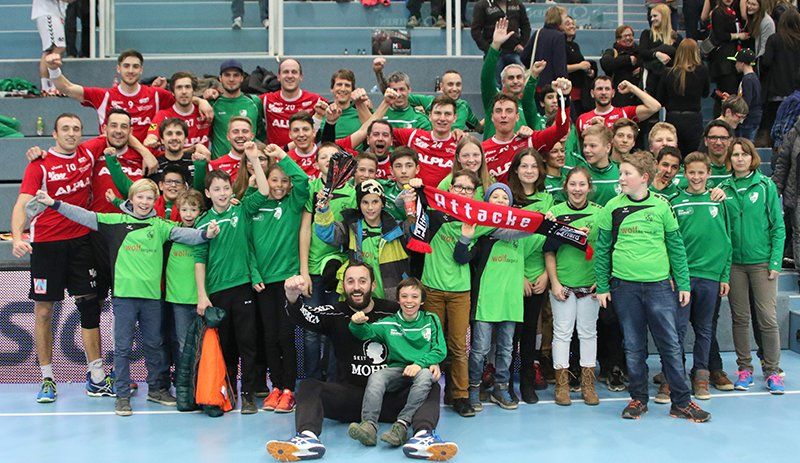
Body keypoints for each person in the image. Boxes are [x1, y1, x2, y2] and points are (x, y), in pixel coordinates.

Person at [32, 178, 218, 416]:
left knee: (155, 345)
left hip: (152, 299)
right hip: (124, 299)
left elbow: (185, 234)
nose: (144, 202)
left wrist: (206, 234)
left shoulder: (160, 226)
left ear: (155, 201)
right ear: (131, 199)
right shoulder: (115, 222)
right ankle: (122, 396)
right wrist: (54, 203)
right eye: (140, 197)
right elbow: (82, 215)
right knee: (122, 349)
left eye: (149, 198)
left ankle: (157, 390)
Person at [267, 264, 457, 462]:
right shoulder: (335, 313)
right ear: (343, 286)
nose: (356, 287)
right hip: (349, 399)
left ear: (373, 285)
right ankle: (307, 439)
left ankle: (423, 437)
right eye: (350, 281)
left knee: (430, 385)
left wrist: (430, 362)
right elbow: (304, 317)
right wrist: (292, 296)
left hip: (391, 399)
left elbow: (423, 330)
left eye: (362, 281)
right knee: (308, 386)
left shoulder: (394, 311)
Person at [595, 151, 711, 422]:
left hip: (659, 287)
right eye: (621, 173)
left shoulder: (662, 206)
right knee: (633, 346)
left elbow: (676, 247)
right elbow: (602, 249)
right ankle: (638, 398)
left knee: (670, 345)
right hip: (624, 288)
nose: (621, 178)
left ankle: (681, 402)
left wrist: (682, 282)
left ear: (644, 177)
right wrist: (602, 286)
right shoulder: (612, 207)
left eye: (627, 174)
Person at [11, 113, 112, 403]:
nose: (71, 133)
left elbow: (118, 133)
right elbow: (22, 203)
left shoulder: (87, 153)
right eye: (65, 129)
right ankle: (47, 378)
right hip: (47, 245)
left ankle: (96, 377)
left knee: (89, 306)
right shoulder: (39, 164)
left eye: (76, 129)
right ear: (54, 134)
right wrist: (17, 237)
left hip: (81, 242)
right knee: (44, 311)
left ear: (82, 133)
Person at [195, 141, 271, 415]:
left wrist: (253, 158)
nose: (223, 193)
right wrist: (202, 295)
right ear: (208, 193)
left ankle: (248, 395)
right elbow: (199, 261)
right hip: (217, 291)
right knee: (225, 346)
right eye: (216, 189)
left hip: (242, 288)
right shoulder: (202, 223)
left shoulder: (241, 210)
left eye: (226, 188)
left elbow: (264, 191)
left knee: (248, 343)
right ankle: (228, 392)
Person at [719, 139, 786, 394]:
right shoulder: (722, 189)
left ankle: (772, 371)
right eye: (735, 154)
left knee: (767, 318)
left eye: (744, 154)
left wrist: (775, 261)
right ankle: (744, 369)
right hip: (735, 265)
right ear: (729, 159)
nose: (739, 158)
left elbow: (778, 227)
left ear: (752, 157)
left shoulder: (766, 186)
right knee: (740, 318)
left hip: (762, 263)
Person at [347, 278, 446, 447]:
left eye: (414, 296)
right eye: (404, 296)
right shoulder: (389, 322)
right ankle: (369, 426)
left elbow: (440, 350)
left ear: (422, 300)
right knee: (377, 376)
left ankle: (401, 425)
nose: (409, 301)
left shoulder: (431, 320)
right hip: (397, 371)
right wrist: (356, 323)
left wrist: (419, 364)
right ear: (398, 300)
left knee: (425, 375)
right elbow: (366, 332)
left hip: (420, 369)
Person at [249, 145, 310, 413]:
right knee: (270, 336)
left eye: (284, 181)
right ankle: (275, 387)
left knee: (286, 336)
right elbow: (247, 243)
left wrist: (284, 158)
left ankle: (289, 389)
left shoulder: (294, 203)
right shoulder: (255, 204)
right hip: (263, 282)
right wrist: (254, 272)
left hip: (287, 283)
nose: (280, 185)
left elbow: (303, 180)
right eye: (274, 180)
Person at [457, 183, 526, 411]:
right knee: (479, 350)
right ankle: (473, 389)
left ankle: (500, 388)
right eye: (495, 196)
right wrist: (465, 238)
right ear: (486, 202)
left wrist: (547, 222)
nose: (500, 200)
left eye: (504, 197)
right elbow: (461, 258)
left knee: (506, 349)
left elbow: (543, 244)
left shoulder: (522, 233)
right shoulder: (483, 233)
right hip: (485, 301)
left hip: (511, 301)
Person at [669, 152, 732, 401]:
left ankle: (701, 375)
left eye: (701, 172)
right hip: (683, 277)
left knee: (705, 329)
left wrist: (724, 275)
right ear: (685, 173)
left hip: (710, 277)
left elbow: (727, 240)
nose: (696, 177)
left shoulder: (718, 201)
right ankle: (674, 376)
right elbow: (669, 242)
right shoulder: (675, 202)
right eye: (692, 172)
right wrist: (672, 274)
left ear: (709, 174)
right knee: (678, 329)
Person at [44, 50, 213, 141]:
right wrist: (53, 68)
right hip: (114, 159)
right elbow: (66, 87)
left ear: (141, 70)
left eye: (135, 66)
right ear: (118, 68)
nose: (131, 71)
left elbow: (182, 98)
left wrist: (200, 101)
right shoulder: (104, 96)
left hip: (147, 161)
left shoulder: (156, 95)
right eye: (126, 66)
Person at [544, 167, 602, 406]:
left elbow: (606, 248)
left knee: (588, 333)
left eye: (582, 184)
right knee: (562, 333)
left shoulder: (600, 213)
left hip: (590, 286)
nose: (577, 189)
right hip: (563, 285)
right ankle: (562, 385)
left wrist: (601, 279)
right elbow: (549, 252)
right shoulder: (555, 214)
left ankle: (588, 385)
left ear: (589, 187)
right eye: (573, 184)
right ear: (565, 187)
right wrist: (555, 282)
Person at [299, 143, 355, 381]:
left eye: (334, 157)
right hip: (313, 269)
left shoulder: (353, 193)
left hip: (338, 271)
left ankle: (332, 380)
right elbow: (305, 230)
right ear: (316, 163)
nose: (329, 161)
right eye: (324, 157)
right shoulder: (312, 189)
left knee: (335, 328)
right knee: (311, 329)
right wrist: (304, 271)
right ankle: (311, 380)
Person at [505, 149, 555, 404]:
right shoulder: (507, 198)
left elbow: (552, 240)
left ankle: (526, 382)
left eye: (534, 166)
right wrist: (518, 276)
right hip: (512, 274)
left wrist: (546, 274)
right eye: (524, 166)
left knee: (528, 334)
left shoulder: (548, 200)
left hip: (538, 276)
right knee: (509, 335)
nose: (529, 171)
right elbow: (501, 240)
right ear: (516, 169)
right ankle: (505, 384)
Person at [315, 179, 409, 300]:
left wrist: (414, 199)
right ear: (359, 204)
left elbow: (419, 231)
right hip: (359, 299)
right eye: (365, 202)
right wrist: (323, 208)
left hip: (391, 299)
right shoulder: (351, 227)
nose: (370, 207)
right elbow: (326, 233)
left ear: (383, 203)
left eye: (375, 202)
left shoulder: (398, 228)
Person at [373, 60, 481, 132]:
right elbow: (394, 95)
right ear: (441, 87)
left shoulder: (464, 106)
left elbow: (479, 128)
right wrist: (379, 73)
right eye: (450, 84)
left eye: (458, 84)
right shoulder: (429, 101)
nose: (455, 88)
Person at [481, 18, 540, 140]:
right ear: (503, 82)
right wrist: (495, 45)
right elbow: (486, 77)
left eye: (519, 77)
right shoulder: (494, 100)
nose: (515, 81)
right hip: (492, 151)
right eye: (511, 78)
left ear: (524, 81)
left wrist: (533, 77)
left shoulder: (528, 107)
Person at [657, 39, 711, 157]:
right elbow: (705, 93)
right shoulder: (702, 70)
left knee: (672, 155)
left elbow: (660, 99)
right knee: (692, 157)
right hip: (693, 119)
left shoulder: (668, 72)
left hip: (673, 118)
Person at [205, 59, 265, 158]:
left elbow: (261, 134)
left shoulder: (254, 102)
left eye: (236, 75)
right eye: (227, 75)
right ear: (220, 78)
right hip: (220, 164)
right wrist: (200, 100)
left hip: (248, 163)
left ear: (242, 78)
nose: (231, 79)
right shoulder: (212, 103)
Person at [260, 58, 324, 148]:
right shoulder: (266, 100)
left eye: (294, 72)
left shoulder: (316, 100)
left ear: (301, 77)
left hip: (306, 155)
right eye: (286, 72)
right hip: (275, 156)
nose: (290, 76)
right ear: (278, 77)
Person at [759, 7, 800, 146]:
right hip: (797, 93)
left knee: (773, 128)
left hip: (776, 92)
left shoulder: (774, 39)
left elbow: (766, 62)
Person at [144, 72, 211, 150]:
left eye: (187, 87)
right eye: (179, 87)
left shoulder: (205, 111)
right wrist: (150, 139)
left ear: (193, 91)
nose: (184, 92)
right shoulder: (162, 115)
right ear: (172, 92)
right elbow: (152, 133)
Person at [470, 0, 531, 85]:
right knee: (494, 85)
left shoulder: (517, 4)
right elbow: (475, 31)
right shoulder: (482, 5)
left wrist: (522, 44)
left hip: (514, 52)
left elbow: (526, 26)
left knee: (519, 84)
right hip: (495, 54)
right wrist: (489, 49)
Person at [576, 77, 661, 135]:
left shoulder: (624, 114)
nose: (604, 92)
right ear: (592, 93)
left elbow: (655, 107)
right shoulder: (582, 119)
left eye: (607, 89)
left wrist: (632, 88)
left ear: (613, 93)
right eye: (599, 89)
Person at [709, 0, 748, 117]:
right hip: (724, 62)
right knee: (725, 94)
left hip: (731, 59)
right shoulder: (718, 12)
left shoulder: (732, 11)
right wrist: (738, 36)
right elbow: (720, 35)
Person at [520, 6, 568, 91]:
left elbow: (524, 56)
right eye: (565, 18)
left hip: (535, 83)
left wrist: (535, 68)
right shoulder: (559, 36)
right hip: (551, 86)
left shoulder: (538, 33)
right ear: (559, 18)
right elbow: (559, 64)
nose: (566, 21)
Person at [640, 4, 682, 98]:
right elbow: (643, 53)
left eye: (655, 16)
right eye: (651, 16)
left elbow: (679, 59)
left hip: (670, 79)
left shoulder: (677, 37)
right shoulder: (647, 34)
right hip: (651, 80)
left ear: (664, 16)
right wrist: (657, 54)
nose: (652, 19)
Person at [600, 25, 643, 107]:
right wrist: (627, 59)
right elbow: (605, 63)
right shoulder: (613, 52)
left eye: (630, 35)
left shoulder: (640, 52)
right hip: (619, 99)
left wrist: (641, 70)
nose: (628, 38)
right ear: (618, 39)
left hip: (638, 98)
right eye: (625, 36)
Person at [32, 0, 67, 95]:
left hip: (54, 14)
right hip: (47, 13)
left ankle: (50, 86)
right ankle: (48, 87)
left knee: (55, 49)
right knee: (51, 50)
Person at [564, 15, 595, 119]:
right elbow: (560, 67)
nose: (572, 26)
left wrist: (588, 70)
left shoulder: (575, 46)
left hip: (580, 93)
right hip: (569, 91)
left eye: (573, 24)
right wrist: (580, 66)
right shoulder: (560, 45)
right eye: (568, 24)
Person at [581, 124, 620, 207]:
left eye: (592, 146)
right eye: (585, 146)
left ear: (608, 148)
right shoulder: (579, 172)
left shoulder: (620, 171)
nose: (586, 150)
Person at [208, 116, 256, 181]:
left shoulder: (262, 162)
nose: (240, 135)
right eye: (235, 132)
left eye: (245, 131)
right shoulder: (214, 165)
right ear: (228, 136)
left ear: (252, 136)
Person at [730, 48, 763, 140]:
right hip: (755, 117)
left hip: (749, 120)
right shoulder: (754, 77)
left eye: (736, 62)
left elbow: (746, 102)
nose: (735, 65)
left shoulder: (747, 80)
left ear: (742, 63)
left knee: (745, 143)